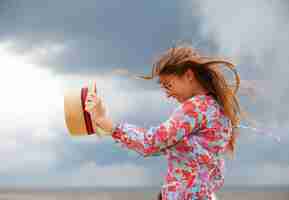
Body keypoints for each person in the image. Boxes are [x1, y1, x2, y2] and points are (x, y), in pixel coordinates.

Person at [85, 44, 247, 200]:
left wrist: (105, 122)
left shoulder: (195, 108)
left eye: (169, 85)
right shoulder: (217, 111)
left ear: (189, 76)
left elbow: (151, 143)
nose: (168, 94)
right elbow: (164, 146)